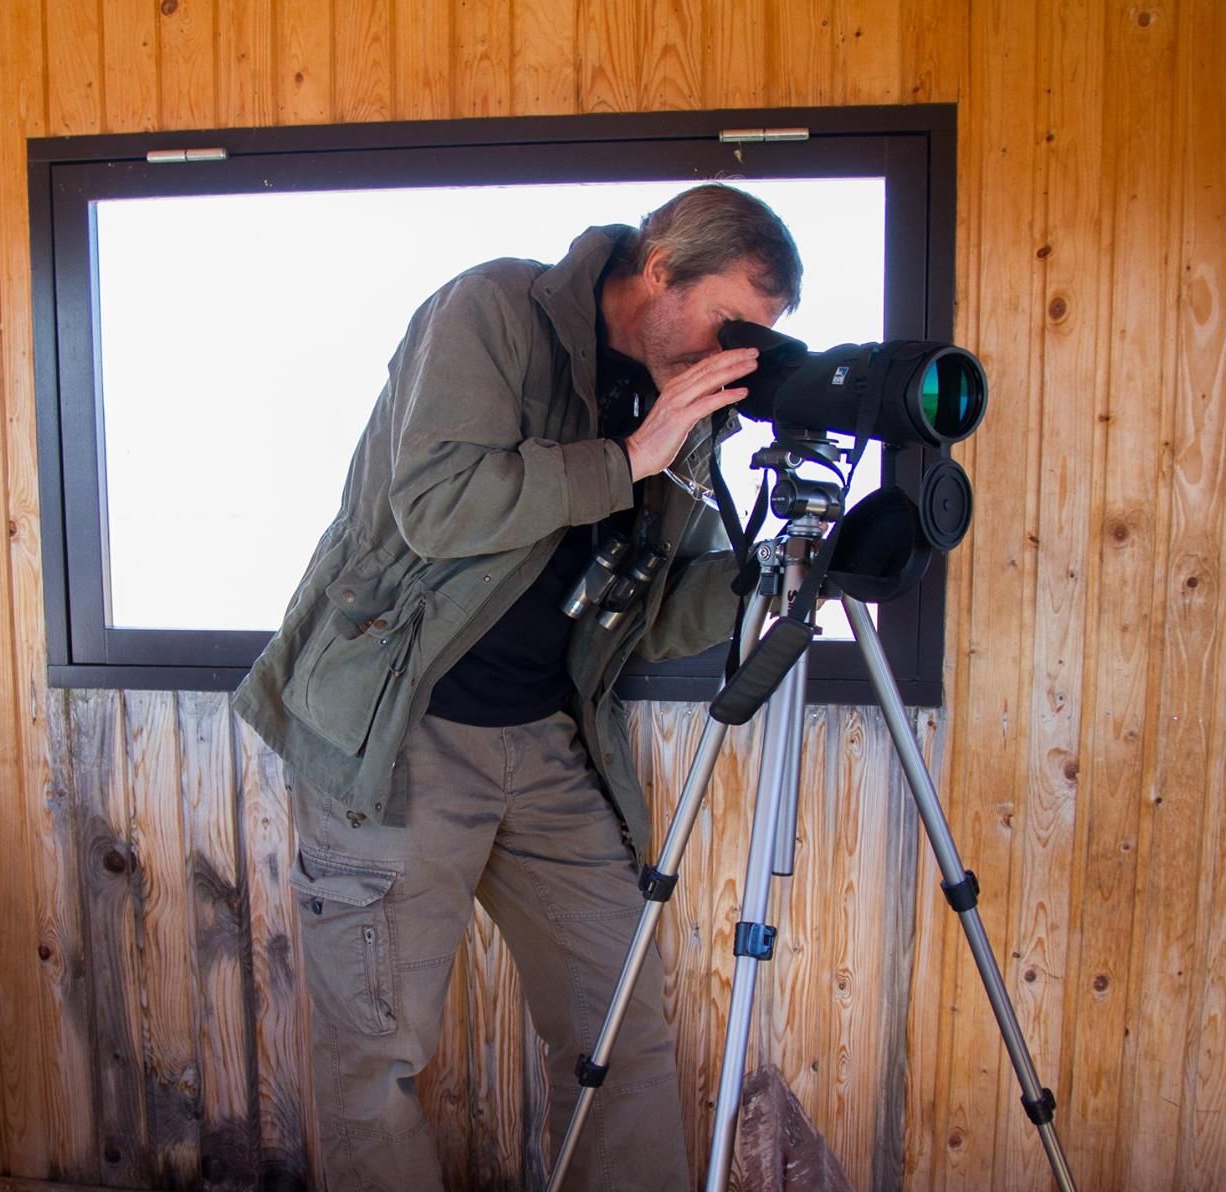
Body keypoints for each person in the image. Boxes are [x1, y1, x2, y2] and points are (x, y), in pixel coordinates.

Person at [233, 183, 802, 1192]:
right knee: (375, 1057)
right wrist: (630, 456)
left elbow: (652, 618)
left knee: (620, 1032)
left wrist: (779, 574)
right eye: (731, 322)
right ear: (661, 264)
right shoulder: (495, 310)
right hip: (397, 735)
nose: (736, 356)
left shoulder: (687, 409)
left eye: (758, 340)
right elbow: (435, 506)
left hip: (548, 741)